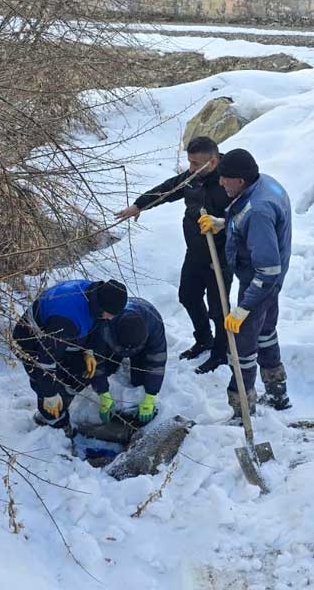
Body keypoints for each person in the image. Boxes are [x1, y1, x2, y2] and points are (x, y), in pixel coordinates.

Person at [115, 137, 234, 374]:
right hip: (196, 251)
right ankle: (204, 339)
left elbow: (243, 218)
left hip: (219, 256)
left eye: (195, 163)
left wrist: (222, 226)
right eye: (188, 162)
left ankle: (221, 352)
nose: (189, 169)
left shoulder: (227, 181)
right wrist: (140, 205)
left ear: (212, 162)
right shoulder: (193, 178)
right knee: (188, 296)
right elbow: (169, 188)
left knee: (218, 308)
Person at [196, 149, 293, 417]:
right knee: (266, 332)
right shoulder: (262, 184)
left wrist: (244, 307)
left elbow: (268, 269)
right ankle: (277, 392)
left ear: (240, 180)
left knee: (242, 346)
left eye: (225, 178)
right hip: (267, 282)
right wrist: (223, 222)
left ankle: (242, 409)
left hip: (260, 283)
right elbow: (246, 218)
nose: (220, 183)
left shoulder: (259, 210)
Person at [12, 279, 128, 430]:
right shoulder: (66, 318)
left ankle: (63, 398)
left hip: (59, 337)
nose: (111, 318)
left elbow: (95, 324)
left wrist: (88, 350)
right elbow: (46, 360)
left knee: (81, 370)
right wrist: (50, 394)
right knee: (45, 386)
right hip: (30, 342)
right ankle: (55, 425)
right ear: (101, 306)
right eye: (110, 314)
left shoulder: (94, 295)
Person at [88, 296, 168, 425]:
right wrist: (103, 393)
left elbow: (157, 360)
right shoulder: (104, 324)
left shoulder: (154, 323)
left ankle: (135, 355)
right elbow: (97, 360)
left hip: (139, 347)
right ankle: (118, 355)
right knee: (107, 369)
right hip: (114, 345)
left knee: (140, 381)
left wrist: (151, 395)